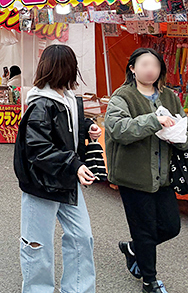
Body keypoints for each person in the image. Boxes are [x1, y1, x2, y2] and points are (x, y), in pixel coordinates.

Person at [13, 44, 101, 293]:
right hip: (41, 183)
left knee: (81, 238)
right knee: (37, 244)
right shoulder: (41, 104)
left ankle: (78, 289)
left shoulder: (67, 98)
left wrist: (86, 127)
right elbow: (38, 148)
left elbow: (64, 130)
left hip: (64, 178)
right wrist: (74, 164)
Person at [105, 48, 188, 293]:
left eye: (155, 65)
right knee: (143, 230)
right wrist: (155, 121)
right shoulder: (123, 96)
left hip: (163, 176)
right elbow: (118, 129)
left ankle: (133, 248)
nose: (150, 69)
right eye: (144, 64)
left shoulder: (170, 96)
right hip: (134, 176)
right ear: (132, 68)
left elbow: (182, 129)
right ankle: (149, 282)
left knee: (171, 226)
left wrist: (179, 135)